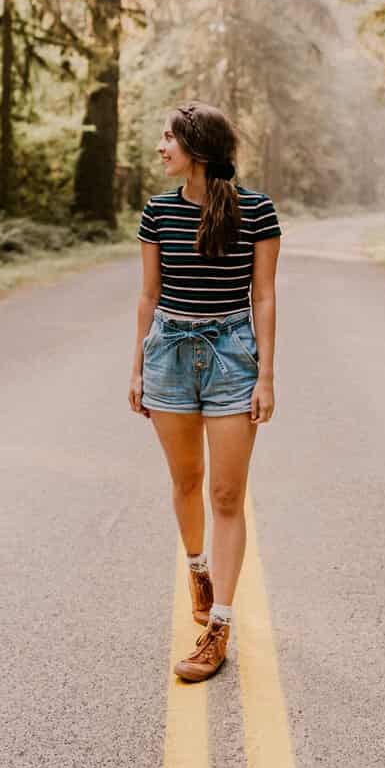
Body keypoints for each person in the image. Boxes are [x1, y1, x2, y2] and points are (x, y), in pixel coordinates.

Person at [130, 100, 281, 683]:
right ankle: (198, 567)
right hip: (168, 354)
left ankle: (218, 625)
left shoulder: (256, 210)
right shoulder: (158, 213)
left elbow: (263, 296)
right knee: (186, 482)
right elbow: (148, 295)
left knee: (225, 495)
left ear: (197, 148)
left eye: (169, 137)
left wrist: (265, 374)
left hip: (232, 358)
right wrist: (138, 367)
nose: (161, 147)